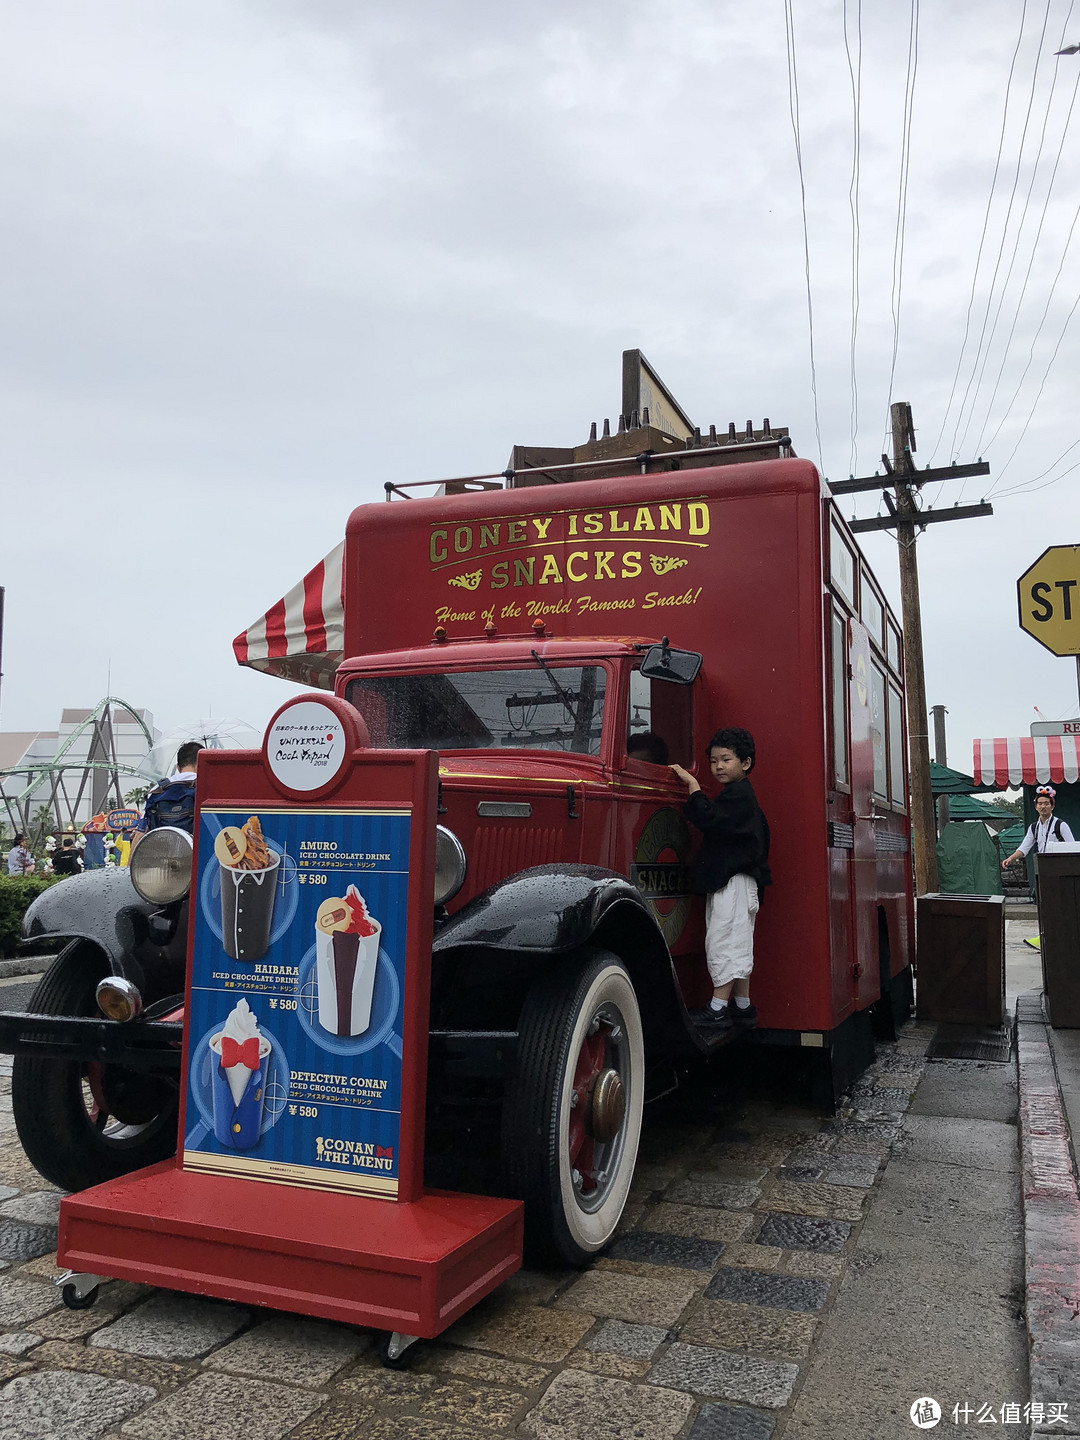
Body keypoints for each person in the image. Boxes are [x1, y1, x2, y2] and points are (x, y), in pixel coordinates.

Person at [671, 726, 771, 1034]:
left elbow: (709, 819)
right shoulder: (740, 796)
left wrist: (692, 786)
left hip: (734, 883)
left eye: (726, 759)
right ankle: (742, 1007)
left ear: (746, 763)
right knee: (738, 942)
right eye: (714, 760)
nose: (718, 766)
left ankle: (717, 1009)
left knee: (724, 941)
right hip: (740, 882)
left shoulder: (738, 797)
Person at [135, 742, 200, 839]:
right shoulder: (205, 787)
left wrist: (131, 854)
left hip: (162, 850)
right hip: (199, 851)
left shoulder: (157, 789)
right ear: (201, 763)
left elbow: (141, 831)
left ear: (178, 767)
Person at [1001, 785, 1075, 867]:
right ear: (1036, 807)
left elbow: (1072, 847)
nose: (1043, 806)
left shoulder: (1061, 825)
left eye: (1046, 803)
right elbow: (1024, 848)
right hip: (1042, 867)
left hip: (1060, 867)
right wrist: (1010, 858)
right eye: (1040, 804)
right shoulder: (1034, 827)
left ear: (1052, 806)